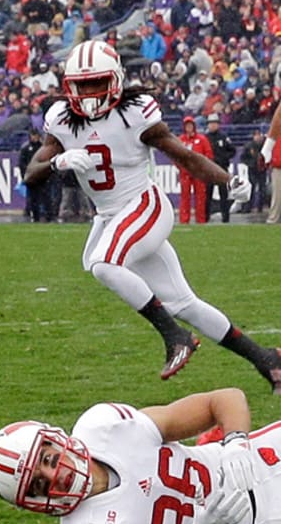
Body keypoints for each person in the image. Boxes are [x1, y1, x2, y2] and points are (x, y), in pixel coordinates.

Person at [22, 40, 281, 390]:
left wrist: (227, 179)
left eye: (97, 83)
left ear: (115, 80)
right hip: (112, 217)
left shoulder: (135, 113)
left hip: (144, 205)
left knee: (104, 264)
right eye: (81, 86)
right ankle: (266, 359)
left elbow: (185, 157)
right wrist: (58, 161)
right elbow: (31, 174)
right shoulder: (62, 120)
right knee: (183, 302)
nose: (88, 94)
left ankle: (175, 338)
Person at [0, 386, 280, 524]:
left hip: (259, 455)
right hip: (263, 521)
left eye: (47, 459)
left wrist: (236, 442)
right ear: (32, 502)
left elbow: (224, 399)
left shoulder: (103, 426)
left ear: (56, 440)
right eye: (39, 484)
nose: (54, 475)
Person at [178, 115, 212, 224]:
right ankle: (184, 220)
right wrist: (181, 167)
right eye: (187, 125)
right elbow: (174, 155)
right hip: (185, 173)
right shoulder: (180, 140)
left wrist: (203, 168)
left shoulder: (201, 139)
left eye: (190, 125)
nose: (189, 127)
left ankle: (200, 220)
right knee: (185, 197)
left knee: (200, 198)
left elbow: (208, 154)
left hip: (199, 173)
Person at [205, 112, 236, 223]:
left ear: (218, 124)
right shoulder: (205, 138)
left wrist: (224, 158)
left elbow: (233, 150)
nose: (212, 125)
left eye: (214, 123)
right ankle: (205, 217)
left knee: (224, 194)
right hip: (209, 170)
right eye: (210, 123)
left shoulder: (223, 137)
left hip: (222, 169)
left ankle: (225, 218)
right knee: (207, 194)